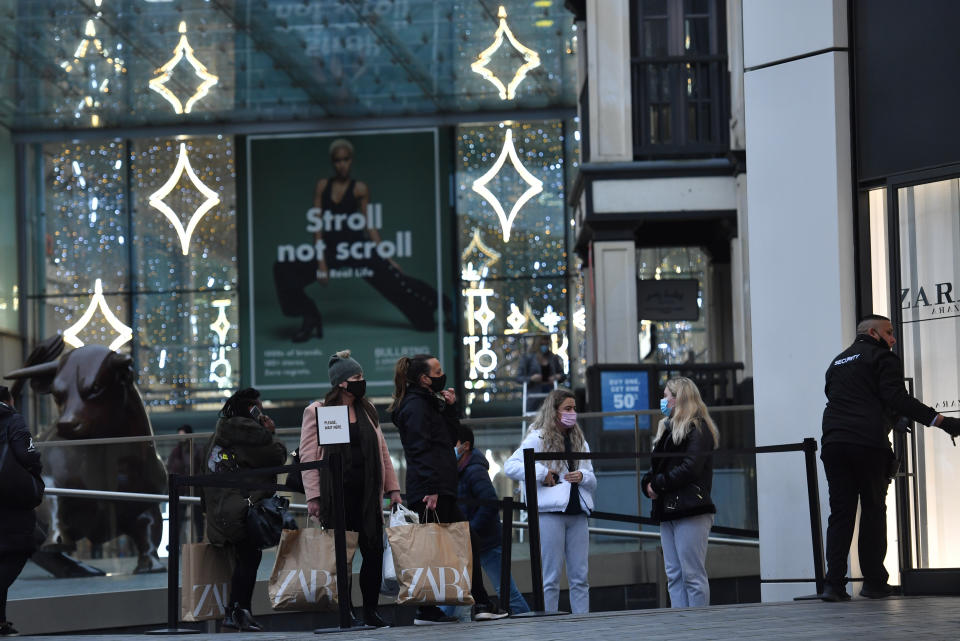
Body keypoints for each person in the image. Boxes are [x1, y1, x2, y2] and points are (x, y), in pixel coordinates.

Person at [819, 314, 960, 602]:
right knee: (872, 510)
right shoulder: (882, 358)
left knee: (841, 513)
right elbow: (896, 398)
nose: (893, 339)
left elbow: (840, 396)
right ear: (873, 333)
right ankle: (873, 582)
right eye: (889, 332)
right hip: (866, 444)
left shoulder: (837, 362)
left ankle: (833, 585)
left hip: (833, 442)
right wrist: (943, 422)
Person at [272, 138, 448, 340]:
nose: (342, 165)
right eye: (338, 160)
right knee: (282, 268)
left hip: (357, 249)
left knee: (398, 281)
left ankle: (443, 305)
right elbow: (317, 225)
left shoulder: (360, 189)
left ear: (351, 160)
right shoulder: (322, 186)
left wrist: (387, 257)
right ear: (332, 162)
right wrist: (321, 263)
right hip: (331, 251)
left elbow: (369, 225)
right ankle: (310, 315)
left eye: (346, 160)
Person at [389, 354, 508, 624]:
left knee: (449, 545)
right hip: (431, 490)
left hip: (438, 487)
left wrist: (451, 408)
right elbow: (421, 449)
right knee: (463, 543)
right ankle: (478, 604)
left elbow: (451, 438)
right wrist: (431, 488)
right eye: (438, 371)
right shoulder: (416, 406)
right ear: (423, 378)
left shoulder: (429, 403)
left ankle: (433, 609)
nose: (442, 375)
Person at [299, 350, 401, 628]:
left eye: (362, 376)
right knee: (342, 558)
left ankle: (371, 609)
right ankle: (347, 611)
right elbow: (309, 457)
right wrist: (314, 497)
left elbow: (382, 453)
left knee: (373, 553)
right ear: (341, 382)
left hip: (367, 496)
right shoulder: (318, 411)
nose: (362, 381)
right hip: (337, 497)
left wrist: (393, 490)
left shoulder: (366, 410)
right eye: (357, 377)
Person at [504, 389, 596, 613]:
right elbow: (511, 466)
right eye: (567, 408)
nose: (572, 413)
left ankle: (582, 626)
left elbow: (593, 478)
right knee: (550, 577)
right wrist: (541, 472)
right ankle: (549, 626)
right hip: (549, 513)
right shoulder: (538, 437)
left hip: (578, 512)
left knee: (580, 577)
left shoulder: (579, 440)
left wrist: (583, 477)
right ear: (554, 411)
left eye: (574, 408)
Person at [203, 388, 286, 632]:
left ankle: (239, 611)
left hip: (220, 509)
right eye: (258, 408)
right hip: (238, 508)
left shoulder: (219, 432)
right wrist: (271, 432)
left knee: (248, 556)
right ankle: (236, 611)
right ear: (251, 409)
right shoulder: (251, 434)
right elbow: (276, 456)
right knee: (250, 556)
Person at [641, 377, 719, 608]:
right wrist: (649, 483)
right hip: (669, 508)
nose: (663, 400)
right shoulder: (667, 427)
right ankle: (679, 624)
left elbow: (690, 467)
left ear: (680, 398)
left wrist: (657, 484)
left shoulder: (698, 427)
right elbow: (658, 466)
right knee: (674, 573)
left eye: (666, 395)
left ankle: (697, 626)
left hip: (690, 507)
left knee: (692, 574)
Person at [441, 426, 530, 618]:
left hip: (485, 541)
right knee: (458, 589)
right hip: (471, 541)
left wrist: (469, 530)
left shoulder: (474, 471)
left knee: (506, 591)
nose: (449, 448)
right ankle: (441, 620)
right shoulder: (459, 470)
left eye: (452, 444)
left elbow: (490, 503)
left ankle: (530, 621)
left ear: (465, 446)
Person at [0, 387, 41, 638]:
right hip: (10, 498)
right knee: (23, 545)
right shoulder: (13, 419)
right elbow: (27, 454)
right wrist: (36, 468)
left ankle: (1, 622)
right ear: (9, 400)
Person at [166, 424, 205, 542]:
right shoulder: (176, 452)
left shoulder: (197, 450)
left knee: (198, 517)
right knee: (178, 518)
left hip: (194, 489)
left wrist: (196, 481)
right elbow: (170, 468)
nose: (180, 437)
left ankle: (199, 540)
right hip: (181, 489)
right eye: (179, 435)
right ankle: (174, 542)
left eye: (182, 434)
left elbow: (201, 468)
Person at [516, 335, 566, 412]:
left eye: (546, 344)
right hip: (533, 396)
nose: (544, 346)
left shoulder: (553, 357)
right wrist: (532, 378)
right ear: (537, 344)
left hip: (550, 394)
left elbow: (563, 375)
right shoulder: (527, 358)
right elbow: (519, 378)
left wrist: (557, 377)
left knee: (551, 418)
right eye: (542, 344)